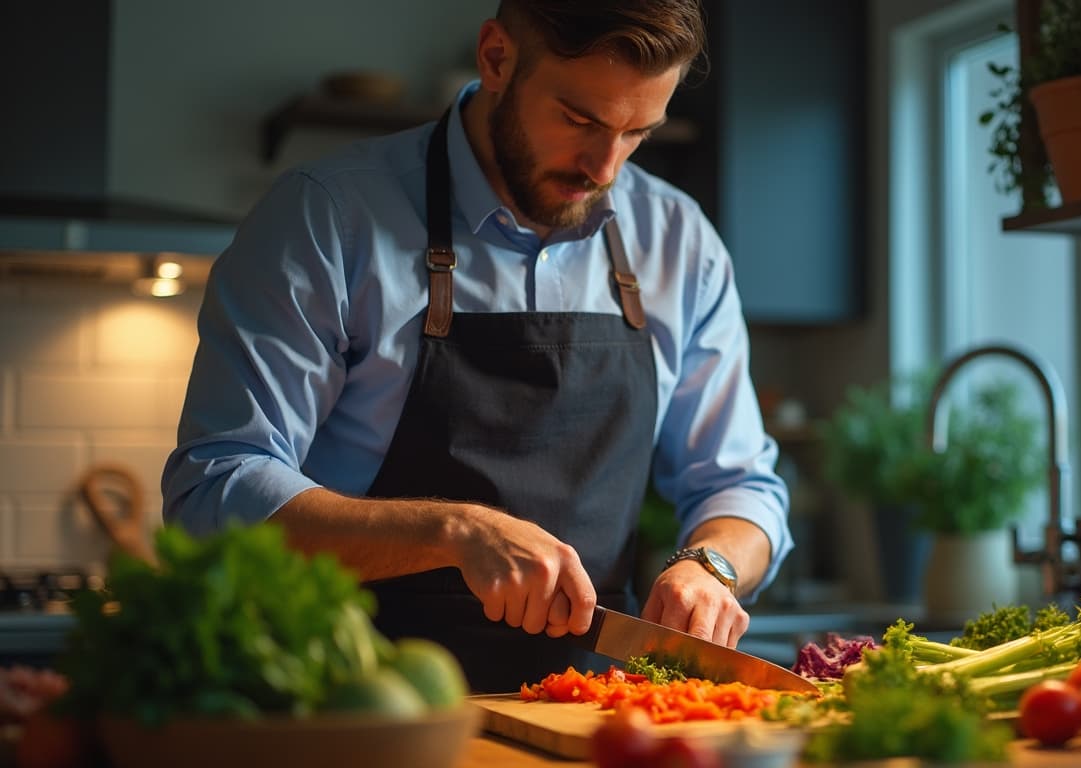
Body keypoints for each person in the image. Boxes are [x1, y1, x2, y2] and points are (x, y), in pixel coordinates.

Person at [163, 0, 791, 693]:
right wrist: (451, 531)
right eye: (580, 120)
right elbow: (215, 490)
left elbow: (739, 485)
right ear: (496, 57)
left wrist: (712, 565)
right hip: (342, 697)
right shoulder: (326, 218)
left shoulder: (679, 241)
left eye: (638, 131)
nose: (604, 167)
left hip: (582, 706)